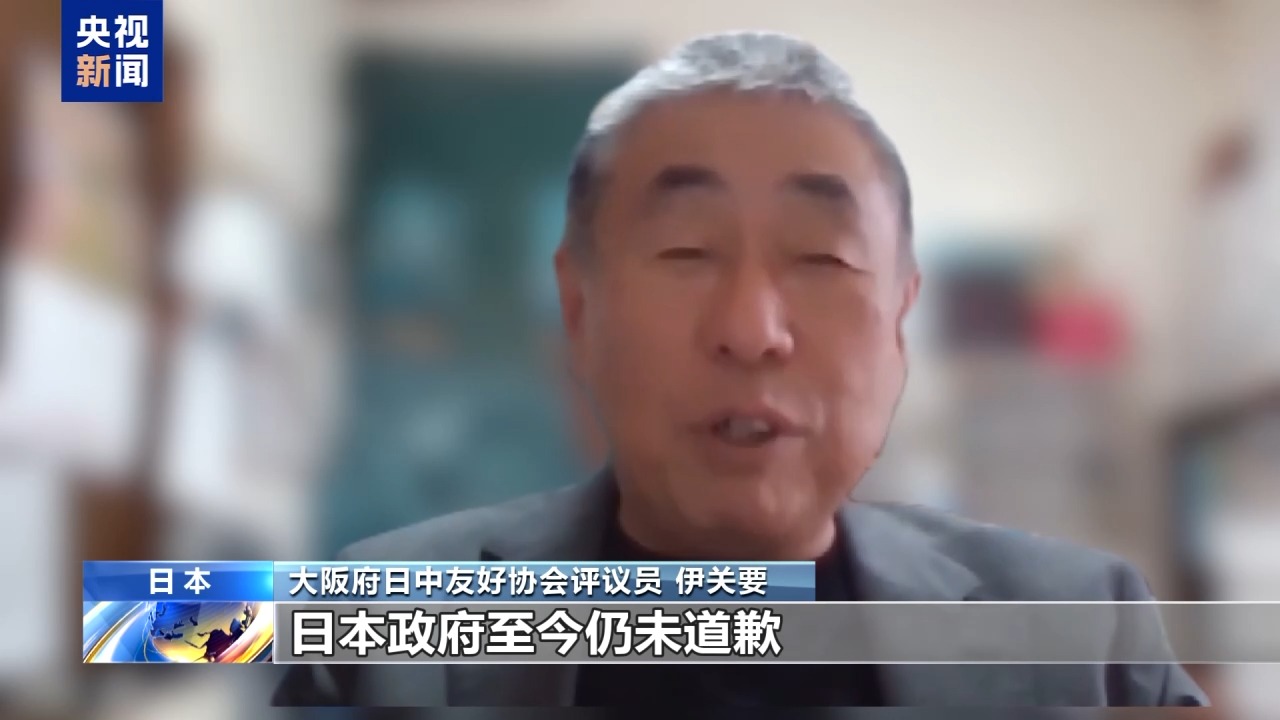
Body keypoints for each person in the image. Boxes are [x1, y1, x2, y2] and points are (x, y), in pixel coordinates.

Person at [274, 31, 1207, 707]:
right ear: (579, 310)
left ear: (899, 320)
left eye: (822, 258)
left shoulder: (1090, 632)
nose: (753, 331)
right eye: (686, 252)